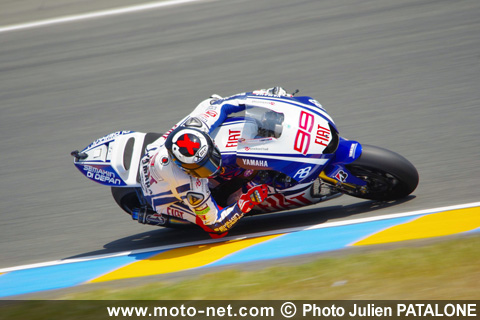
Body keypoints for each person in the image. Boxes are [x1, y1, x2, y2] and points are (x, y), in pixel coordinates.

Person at [136, 87, 291, 238]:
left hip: (156, 149)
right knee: (216, 229)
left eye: (211, 158)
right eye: (204, 168)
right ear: (186, 169)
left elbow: (226, 104)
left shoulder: (198, 127)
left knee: (212, 102)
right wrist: (246, 202)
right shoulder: (189, 185)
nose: (213, 167)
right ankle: (158, 215)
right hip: (160, 195)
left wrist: (266, 96)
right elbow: (217, 223)